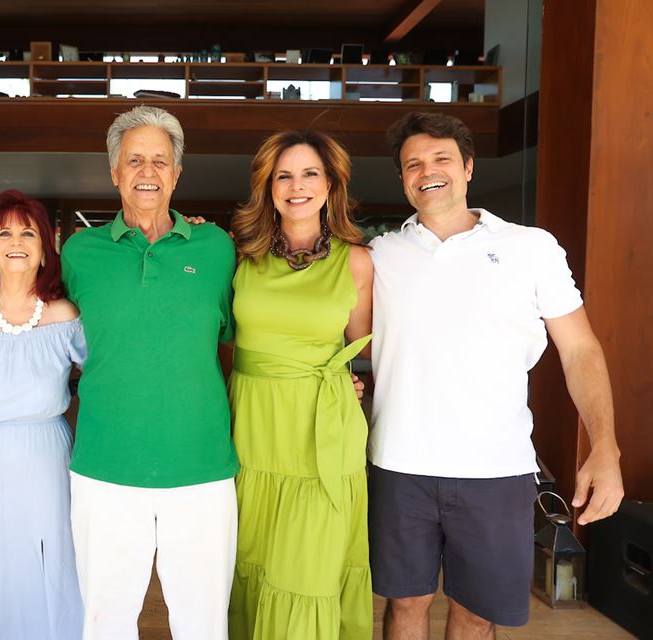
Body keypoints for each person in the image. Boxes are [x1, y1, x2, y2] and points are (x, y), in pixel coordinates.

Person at [368, 112, 624, 639]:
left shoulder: (531, 248)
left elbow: (580, 350)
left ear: (467, 168)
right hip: (398, 466)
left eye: (441, 159)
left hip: (495, 470)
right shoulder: (379, 256)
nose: (426, 171)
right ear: (401, 179)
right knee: (405, 605)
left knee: (475, 613)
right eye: (412, 164)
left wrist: (605, 448)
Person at [60, 105, 237, 640]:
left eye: (161, 161)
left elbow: (234, 345)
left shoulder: (217, 248)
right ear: (114, 171)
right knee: (104, 624)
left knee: (203, 624)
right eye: (134, 160)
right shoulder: (78, 252)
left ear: (177, 173)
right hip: (104, 468)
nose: (147, 172)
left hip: (202, 468)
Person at [227, 130, 373, 639]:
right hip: (254, 433)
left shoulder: (357, 261)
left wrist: (347, 384)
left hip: (322, 437)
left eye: (310, 173)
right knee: (253, 563)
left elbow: (367, 351)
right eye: (283, 175)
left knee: (306, 575)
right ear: (267, 187)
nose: (297, 186)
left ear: (331, 184)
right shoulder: (238, 256)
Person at [0, 189, 85, 639]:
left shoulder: (65, 316)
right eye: (4, 232)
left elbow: (105, 379)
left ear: (45, 250)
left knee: (51, 561)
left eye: (29, 232)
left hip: (46, 457)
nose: (16, 240)